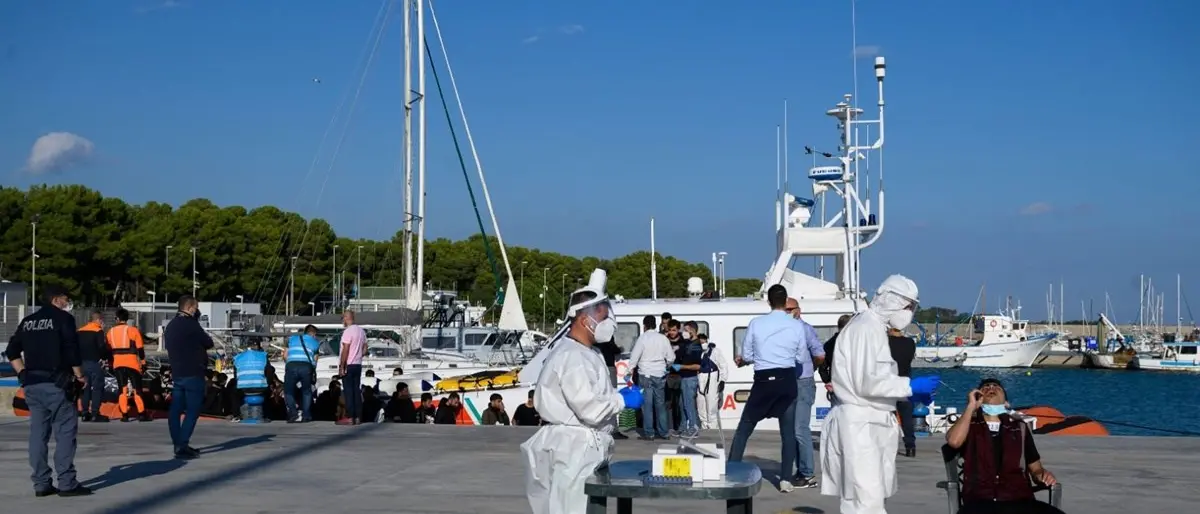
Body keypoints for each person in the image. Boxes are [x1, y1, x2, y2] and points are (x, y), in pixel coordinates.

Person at [820, 274, 937, 513]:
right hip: (861, 425)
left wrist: (905, 394)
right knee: (866, 500)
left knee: (868, 496)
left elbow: (872, 377)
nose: (910, 313)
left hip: (870, 421)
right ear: (892, 301)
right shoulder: (866, 328)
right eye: (908, 306)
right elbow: (867, 382)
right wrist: (909, 387)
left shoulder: (871, 327)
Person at [520, 269, 629, 514]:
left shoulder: (587, 352)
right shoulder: (572, 357)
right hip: (573, 451)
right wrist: (622, 400)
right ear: (584, 320)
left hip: (578, 449)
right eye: (602, 317)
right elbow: (590, 409)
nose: (608, 324)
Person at [4, 285, 93, 497]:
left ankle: (41, 483)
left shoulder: (28, 322)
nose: (67, 301)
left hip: (32, 385)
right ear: (56, 299)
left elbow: (11, 351)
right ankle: (67, 483)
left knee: (38, 434)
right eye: (65, 298)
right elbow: (72, 352)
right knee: (65, 434)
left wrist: (22, 373)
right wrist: (80, 376)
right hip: (58, 385)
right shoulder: (63, 320)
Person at [728, 284, 804, 493]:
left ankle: (732, 471)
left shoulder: (756, 323)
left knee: (744, 428)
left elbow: (748, 355)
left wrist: (752, 359)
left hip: (763, 381)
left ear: (768, 301)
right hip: (787, 380)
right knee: (787, 433)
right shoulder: (796, 326)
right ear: (785, 300)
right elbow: (800, 357)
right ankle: (786, 479)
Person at [946, 378, 1063, 514]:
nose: (991, 388)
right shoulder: (970, 426)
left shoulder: (1019, 428)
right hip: (980, 501)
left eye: (997, 387)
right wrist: (971, 407)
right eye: (985, 387)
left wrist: (1043, 475)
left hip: (1019, 500)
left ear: (1006, 403)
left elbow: (1036, 468)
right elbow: (954, 441)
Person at [165, 295, 215, 459]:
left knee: (175, 409)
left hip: (178, 372)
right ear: (191, 308)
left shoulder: (171, 325)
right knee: (192, 409)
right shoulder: (191, 325)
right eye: (196, 308)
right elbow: (208, 342)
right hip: (193, 372)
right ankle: (183, 443)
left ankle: (177, 442)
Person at [785, 297, 826, 488]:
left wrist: (812, 368)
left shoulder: (805, 329)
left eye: (788, 309)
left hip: (803, 382)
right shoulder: (783, 330)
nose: (785, 313)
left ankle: (808, 473)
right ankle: (800, 470)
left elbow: (819, 354)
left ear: (798, 310)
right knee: (792, 429)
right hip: (788, 381)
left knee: (800, 428)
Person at [626, 314, 673, 440]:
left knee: (647, 405)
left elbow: (634, 357)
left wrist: (629, 371)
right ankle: (663, 432)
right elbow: (671, 358)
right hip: (660, 374)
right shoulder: (663, 338)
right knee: (660, 404)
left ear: (644, 325)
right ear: (656, 324)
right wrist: (666, 367)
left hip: (645, 374)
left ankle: (649, 433)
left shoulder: (642, 338)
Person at [108, 308, 151, 422]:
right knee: (137, 389)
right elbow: (140, 350)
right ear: (127, 319)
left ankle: (124, 415)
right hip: (132, 364)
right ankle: (141, 414)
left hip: (117, 364)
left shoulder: (110, 332)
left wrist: (110, 363)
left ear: (117, 319)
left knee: (122, 389)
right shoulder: (133, 330)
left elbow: (108, 350)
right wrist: (143, 363)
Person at [888, 327, 918, 457]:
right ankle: (910, 446)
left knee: (887, 415)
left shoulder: (885, 342)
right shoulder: (910, 343)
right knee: (906, 417)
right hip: (904, 382)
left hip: (888, 383)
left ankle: (887, 445)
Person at [76, 311, 110, 422]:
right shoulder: (98, 331)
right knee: (97, 388)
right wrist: (105, 357)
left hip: (81, 363)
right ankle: (95, 413)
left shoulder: (80, 331)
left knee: (85, 388)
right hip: (94, 362)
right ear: (99, 320)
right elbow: (101, 346)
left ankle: (85, 413)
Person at [284, 324, 321, 423]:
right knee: (306, 391)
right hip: (306, 366)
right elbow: (315, 359)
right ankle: (306, 415)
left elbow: (285, 355)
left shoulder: (292, 339)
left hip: (291, 365)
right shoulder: (315, 342)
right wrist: (312, 370)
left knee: (288, 391)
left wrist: (289, 363)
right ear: (313, 334)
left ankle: (293, 414)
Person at [695, 332, 730, 430]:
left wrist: (723, 380)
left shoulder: (715, 351)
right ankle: (704, 427)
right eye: (700, 341)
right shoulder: (697, 352)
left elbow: (723, 366)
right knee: (701, 407)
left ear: (707, 340)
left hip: (711, 380)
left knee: (711, 407)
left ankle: (713, 429)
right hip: (700, 380)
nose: (702, 343)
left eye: (703, 340)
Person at [337, 310, 367, 425]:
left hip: (348, 364)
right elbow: (365, 349)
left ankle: (350, 417)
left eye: (343, 318)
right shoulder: (361, 331)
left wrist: (342, 365)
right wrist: (358, 355)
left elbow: (346, 349)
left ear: (346, 318)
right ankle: (358, 417)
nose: (343, 321)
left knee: (348, 391)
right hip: (358, 364)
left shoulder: (347, 332)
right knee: (356, 390)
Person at [675, 320, 704, 437]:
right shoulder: (688, 344)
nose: (684, 333)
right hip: (684, 377)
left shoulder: (696, 346)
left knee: (689, 404)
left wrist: (681, 366)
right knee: (682, 404)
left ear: (692, 330)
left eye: (686, 330)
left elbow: (698, 366)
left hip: (690, 379)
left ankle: (693, 428)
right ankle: (683, 427)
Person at [818, 314, 853, 398]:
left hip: (836, 386)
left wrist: (828, 382)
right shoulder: (855, 343)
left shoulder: (828, 344)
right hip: (853, 386)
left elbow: (822, 368)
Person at [233, 345, 269, 422]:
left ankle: (242, 415)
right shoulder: (263, 356)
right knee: (268, 394)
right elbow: (269, 372)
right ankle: (262, 416)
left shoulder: (238, 357)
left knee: (237, 395)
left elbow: (235, 375)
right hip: (259, 386)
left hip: (243, 387)